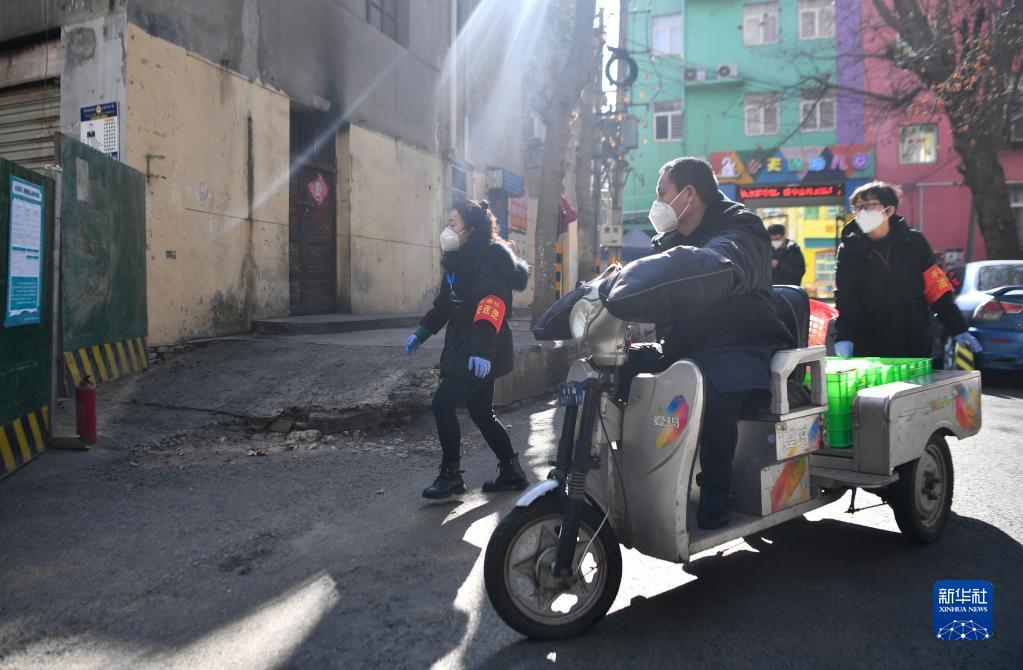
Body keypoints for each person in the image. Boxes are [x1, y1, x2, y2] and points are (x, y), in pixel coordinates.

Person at [599, 158, 794, 530]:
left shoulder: (742, 228)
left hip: (740, 344)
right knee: (613, 366)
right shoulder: (668, 240)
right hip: (684, 345)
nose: (658, 203)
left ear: (688, 194)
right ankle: (605, 469)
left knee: (713, 389)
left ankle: (717, 493)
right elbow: (646, 283)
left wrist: (692, 264)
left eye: (662, 194)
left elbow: (716, 261)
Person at [405, 199, 531, 499]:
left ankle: (451, 475)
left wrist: (482, 351)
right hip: (464, 344)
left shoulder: (490, 259)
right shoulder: (456, 261)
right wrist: (421, 332)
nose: (447, 230)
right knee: (481, 413)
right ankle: (512, 472)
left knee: (442, 404)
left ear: (470, 229)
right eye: (447, 224)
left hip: (482, 344)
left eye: (453, 224)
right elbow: (444, 305)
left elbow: (492, 304)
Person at [833, 181, 981, 359]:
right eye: (858, 207)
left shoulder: (914, 243)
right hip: (870, 342)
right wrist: (845, 336)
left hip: (914, 339)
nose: (863, 212)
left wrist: (958, 328)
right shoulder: (849, 250)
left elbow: (937, 291)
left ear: (889, 210)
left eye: (870, 205)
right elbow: (846, 297)